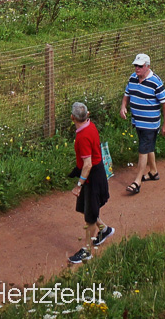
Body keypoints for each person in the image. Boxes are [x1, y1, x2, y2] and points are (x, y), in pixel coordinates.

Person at [68, 102, 113, 264]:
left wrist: (79, 185)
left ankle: (87, 250)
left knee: (90, 217)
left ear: (72, 117)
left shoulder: (82, 136)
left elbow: (88, 164)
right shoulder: (90, 126)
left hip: (92, 177)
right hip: (95, 174)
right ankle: (104, 230)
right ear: (87, 115)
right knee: (86, 209)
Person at [120, 53, 165, 195]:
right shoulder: (132, 78)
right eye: (135, 65)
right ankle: (153, 172)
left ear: (147, 66)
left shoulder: (155, 82)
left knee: (143, 149)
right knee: (148, 147)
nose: (137, 69)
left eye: (140, 66)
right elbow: (127, 94)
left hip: (150, 123)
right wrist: (123, 106)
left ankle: (137, 182)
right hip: (138, 121)